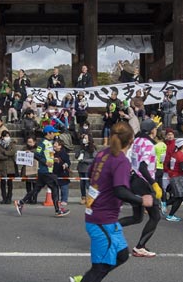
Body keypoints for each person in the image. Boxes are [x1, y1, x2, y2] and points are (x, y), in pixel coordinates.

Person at [68, 122, 152, 282]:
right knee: (100, 268)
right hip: (102, 219)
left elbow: (93, 174)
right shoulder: (121, 160)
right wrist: (142, 200)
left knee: (121, 255)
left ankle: (88, 278)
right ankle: (87, 279)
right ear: (131, 141)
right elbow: (120, 190)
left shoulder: (103, 154)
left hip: (103, 216)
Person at [119, 119, 161, 257]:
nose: (156, 130)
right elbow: (143, 167)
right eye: (155, 128)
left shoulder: (136, 141)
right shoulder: (149, 144)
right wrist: (153, 183)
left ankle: (110, 227)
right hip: (143, 183)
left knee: (137, 217)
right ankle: (140, 247)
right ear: (151, 131)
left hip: (132, 180)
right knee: (155, 216)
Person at [15, 125, 69, 217]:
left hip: (46, 171)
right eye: (53, 132)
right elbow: (37, 154)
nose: (54, 134)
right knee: (55, 187)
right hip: (45, 171)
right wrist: (46, 162)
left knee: (36, 189)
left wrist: (54, 159)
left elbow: (48, 156)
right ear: (48, 133)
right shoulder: (43, 143)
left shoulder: (49, 143)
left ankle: (21, 202)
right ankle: (57, 210)